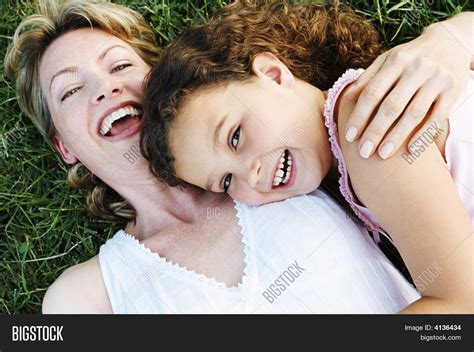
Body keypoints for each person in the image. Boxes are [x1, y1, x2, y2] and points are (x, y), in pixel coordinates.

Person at [4, 0, 471, 313]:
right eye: (70, 90)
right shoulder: (87, 295)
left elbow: (457, 302)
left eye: (121, 65)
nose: (105, 87)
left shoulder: (307, 155)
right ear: (64, 146)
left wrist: (449, 40)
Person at [141, 1, 474, 312]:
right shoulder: (344, 167)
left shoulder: (362, 126)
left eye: (235, 136)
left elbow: (460, 307)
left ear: (273, 75)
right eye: (226, 181)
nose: (250, 174)